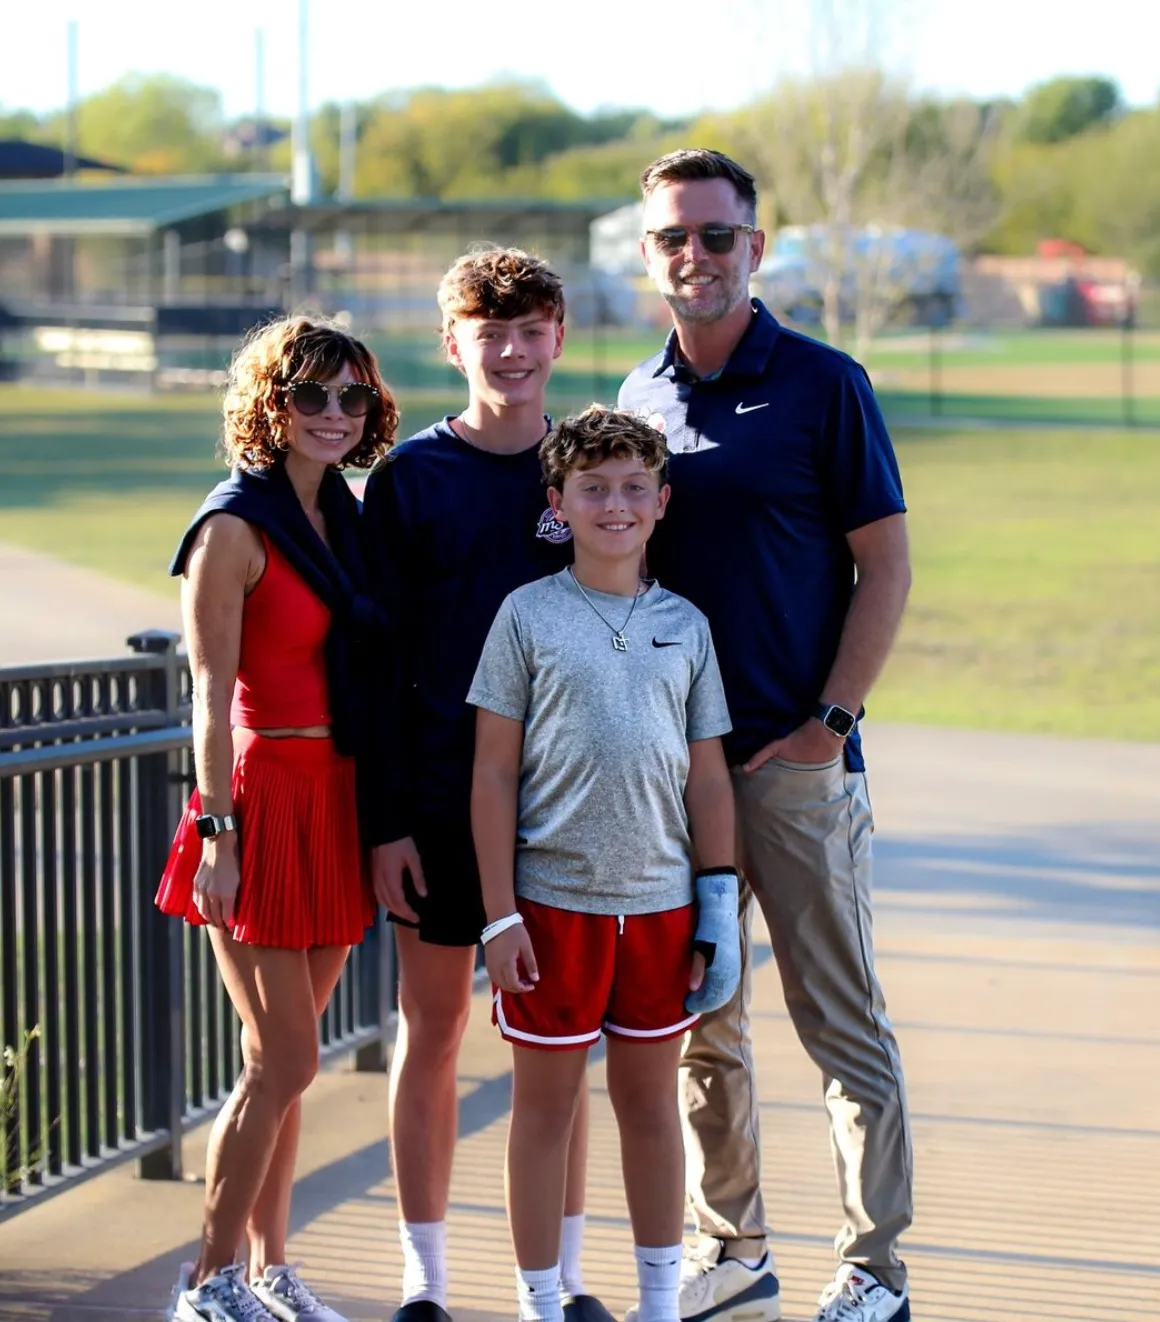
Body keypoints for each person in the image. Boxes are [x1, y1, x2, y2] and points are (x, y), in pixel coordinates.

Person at [618, 149, 915, 1322]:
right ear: (648, 253)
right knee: (704, 1020)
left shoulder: (823, 383)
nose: (694, 256)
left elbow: (884, 565)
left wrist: (827, 723)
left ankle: (874, 1265)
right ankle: (731, 1240)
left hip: (794, 768)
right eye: (671, 238)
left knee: (842, 1023)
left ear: (756, 242)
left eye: (716, 234)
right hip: (675, 779)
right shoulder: (636, 399)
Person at [363, 249, 611, 1322]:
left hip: (564, 808)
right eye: (486, 330)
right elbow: (371, 661)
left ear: (557, 336)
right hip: (435, 796)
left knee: (559, 1048)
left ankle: (554, 1282)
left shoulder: (589, 468)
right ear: (451, 342)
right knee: (433, 1029)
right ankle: (424, 1277)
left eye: (529, 329)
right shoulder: (414, 478)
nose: (509, 351)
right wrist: (385, 822)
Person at [469, 405, 740, 1322]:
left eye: (633, 488)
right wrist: (499, 913)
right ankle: (541, 1302)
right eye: (593, 488)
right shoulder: (526, 615)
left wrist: (717, 904)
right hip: (550, 909)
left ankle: (659, 1304)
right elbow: (494, 771)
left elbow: (708, 777)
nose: (614, 505)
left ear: (661, 502)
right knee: (544, 1112)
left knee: (651, 1110)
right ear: (560, 502)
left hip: (661, 910)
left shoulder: (689, 625)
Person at [156, 317, 398, 1322]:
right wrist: (217, 833)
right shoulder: (232, 528)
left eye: (349, 397)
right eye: (311, 396)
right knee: (287, 1056)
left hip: (335, 795)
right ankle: (204, 1282)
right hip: (255, 804)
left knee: (285, 1068)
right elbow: (208, 698)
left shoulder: (341, 515)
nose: (333, 415)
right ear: (270, 404)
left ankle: (267, 1267)